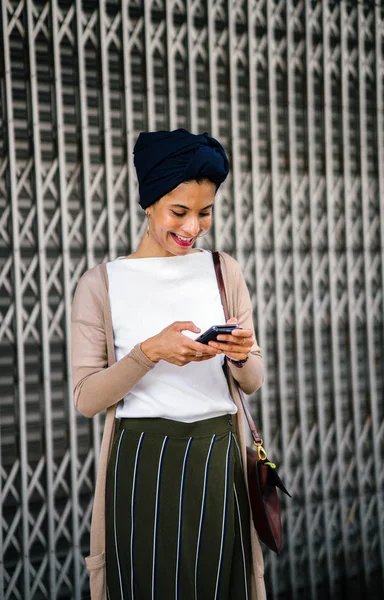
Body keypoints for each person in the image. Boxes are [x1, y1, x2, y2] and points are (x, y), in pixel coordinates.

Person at [71, 129, 266, 600]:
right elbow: (86, 400)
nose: (193, 227)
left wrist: (240, 354)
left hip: (219, 456)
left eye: (205, 212)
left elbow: (253, 382)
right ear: (149, 203)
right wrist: (149, 352)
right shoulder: (101, 285)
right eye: (179, 212)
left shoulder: (225, 271)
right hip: (142, 462)